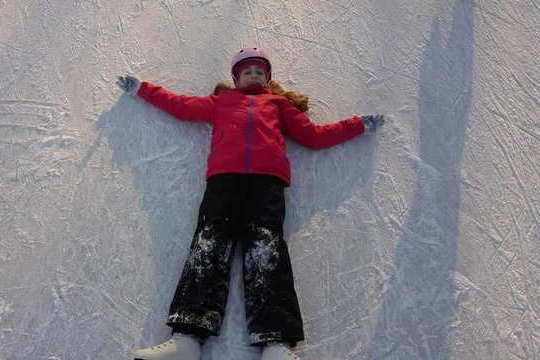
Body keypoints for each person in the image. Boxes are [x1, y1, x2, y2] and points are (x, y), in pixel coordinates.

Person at [116, 47, 386, 360]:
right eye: (248, 71)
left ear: (268, 79)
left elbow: (313, 135)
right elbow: (182, 106)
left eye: (260, 71)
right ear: (236, 78)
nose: (254, 75)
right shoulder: (222, 102)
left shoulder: (279, 105)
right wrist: (143, 89)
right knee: (208, 246)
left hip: (266, 183)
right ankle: (187, 338)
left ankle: (276, 344)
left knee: (267, 251)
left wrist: (357, 125)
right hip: (224, 181)